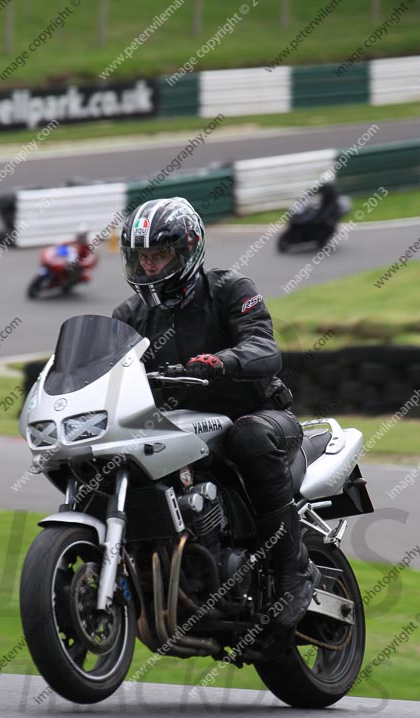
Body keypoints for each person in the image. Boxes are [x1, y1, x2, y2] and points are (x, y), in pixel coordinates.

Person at [112, 197, 319, 635]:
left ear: (187, 251)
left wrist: (222, 362)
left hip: (259, 415)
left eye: (158, 254)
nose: (148, 266)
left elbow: (264, 347)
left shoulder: (229, 289)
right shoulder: (129, 315)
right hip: (182, 429)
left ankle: (294, 569)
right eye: (140, 257)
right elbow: (107, 371)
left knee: (249, 438)